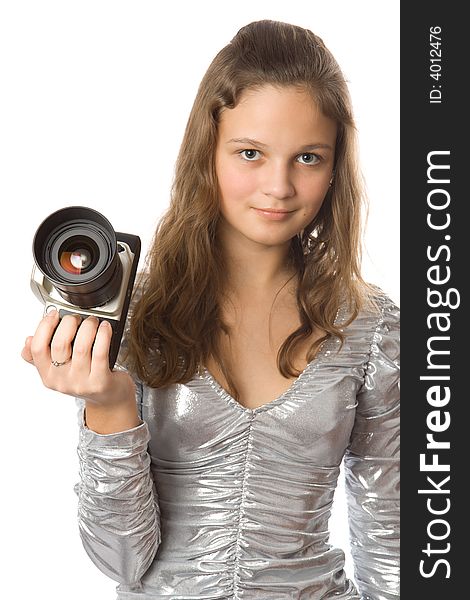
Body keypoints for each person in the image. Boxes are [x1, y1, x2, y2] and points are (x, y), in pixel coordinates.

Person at [22, 19, 399, 600]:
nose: (278, 186)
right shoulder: (135, 312)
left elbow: (392, 541)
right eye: (251, 152)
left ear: (335, 167)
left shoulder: (369, 327)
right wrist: (108, 404)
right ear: (208, 150)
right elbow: (122, 561)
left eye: (308, 157)